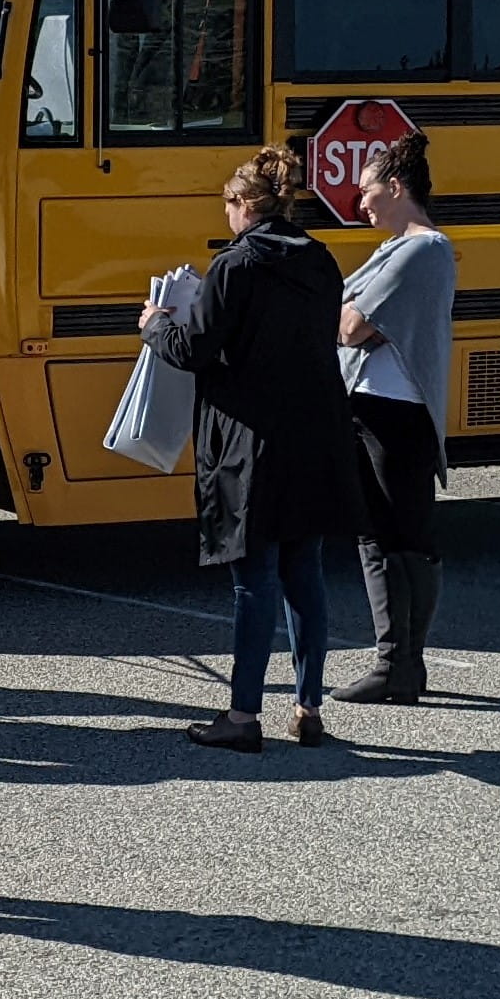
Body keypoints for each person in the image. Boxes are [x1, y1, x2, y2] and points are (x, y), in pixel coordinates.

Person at [141, 146, 364, 752]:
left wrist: (155, 323)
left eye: (227, 205)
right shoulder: (321, 260)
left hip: (252, 438)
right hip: (316, 432)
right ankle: (308, 706)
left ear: (245, 204)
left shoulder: (236, 266)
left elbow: (193, 349)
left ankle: (242, 715)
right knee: (305, 571)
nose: (226, 215)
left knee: (254, 577)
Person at [332, 132, 456, 705]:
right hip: (374, 406)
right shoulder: (396, 250)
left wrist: (353, 318)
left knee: (394, 535)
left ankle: (397, 664)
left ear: (397, 187)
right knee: (385, 534)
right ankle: (401, 664)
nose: (360, 203)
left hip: (394, 412)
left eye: (367, 191)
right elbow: (351, 315)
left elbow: (350, 326)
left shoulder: (421, 251)